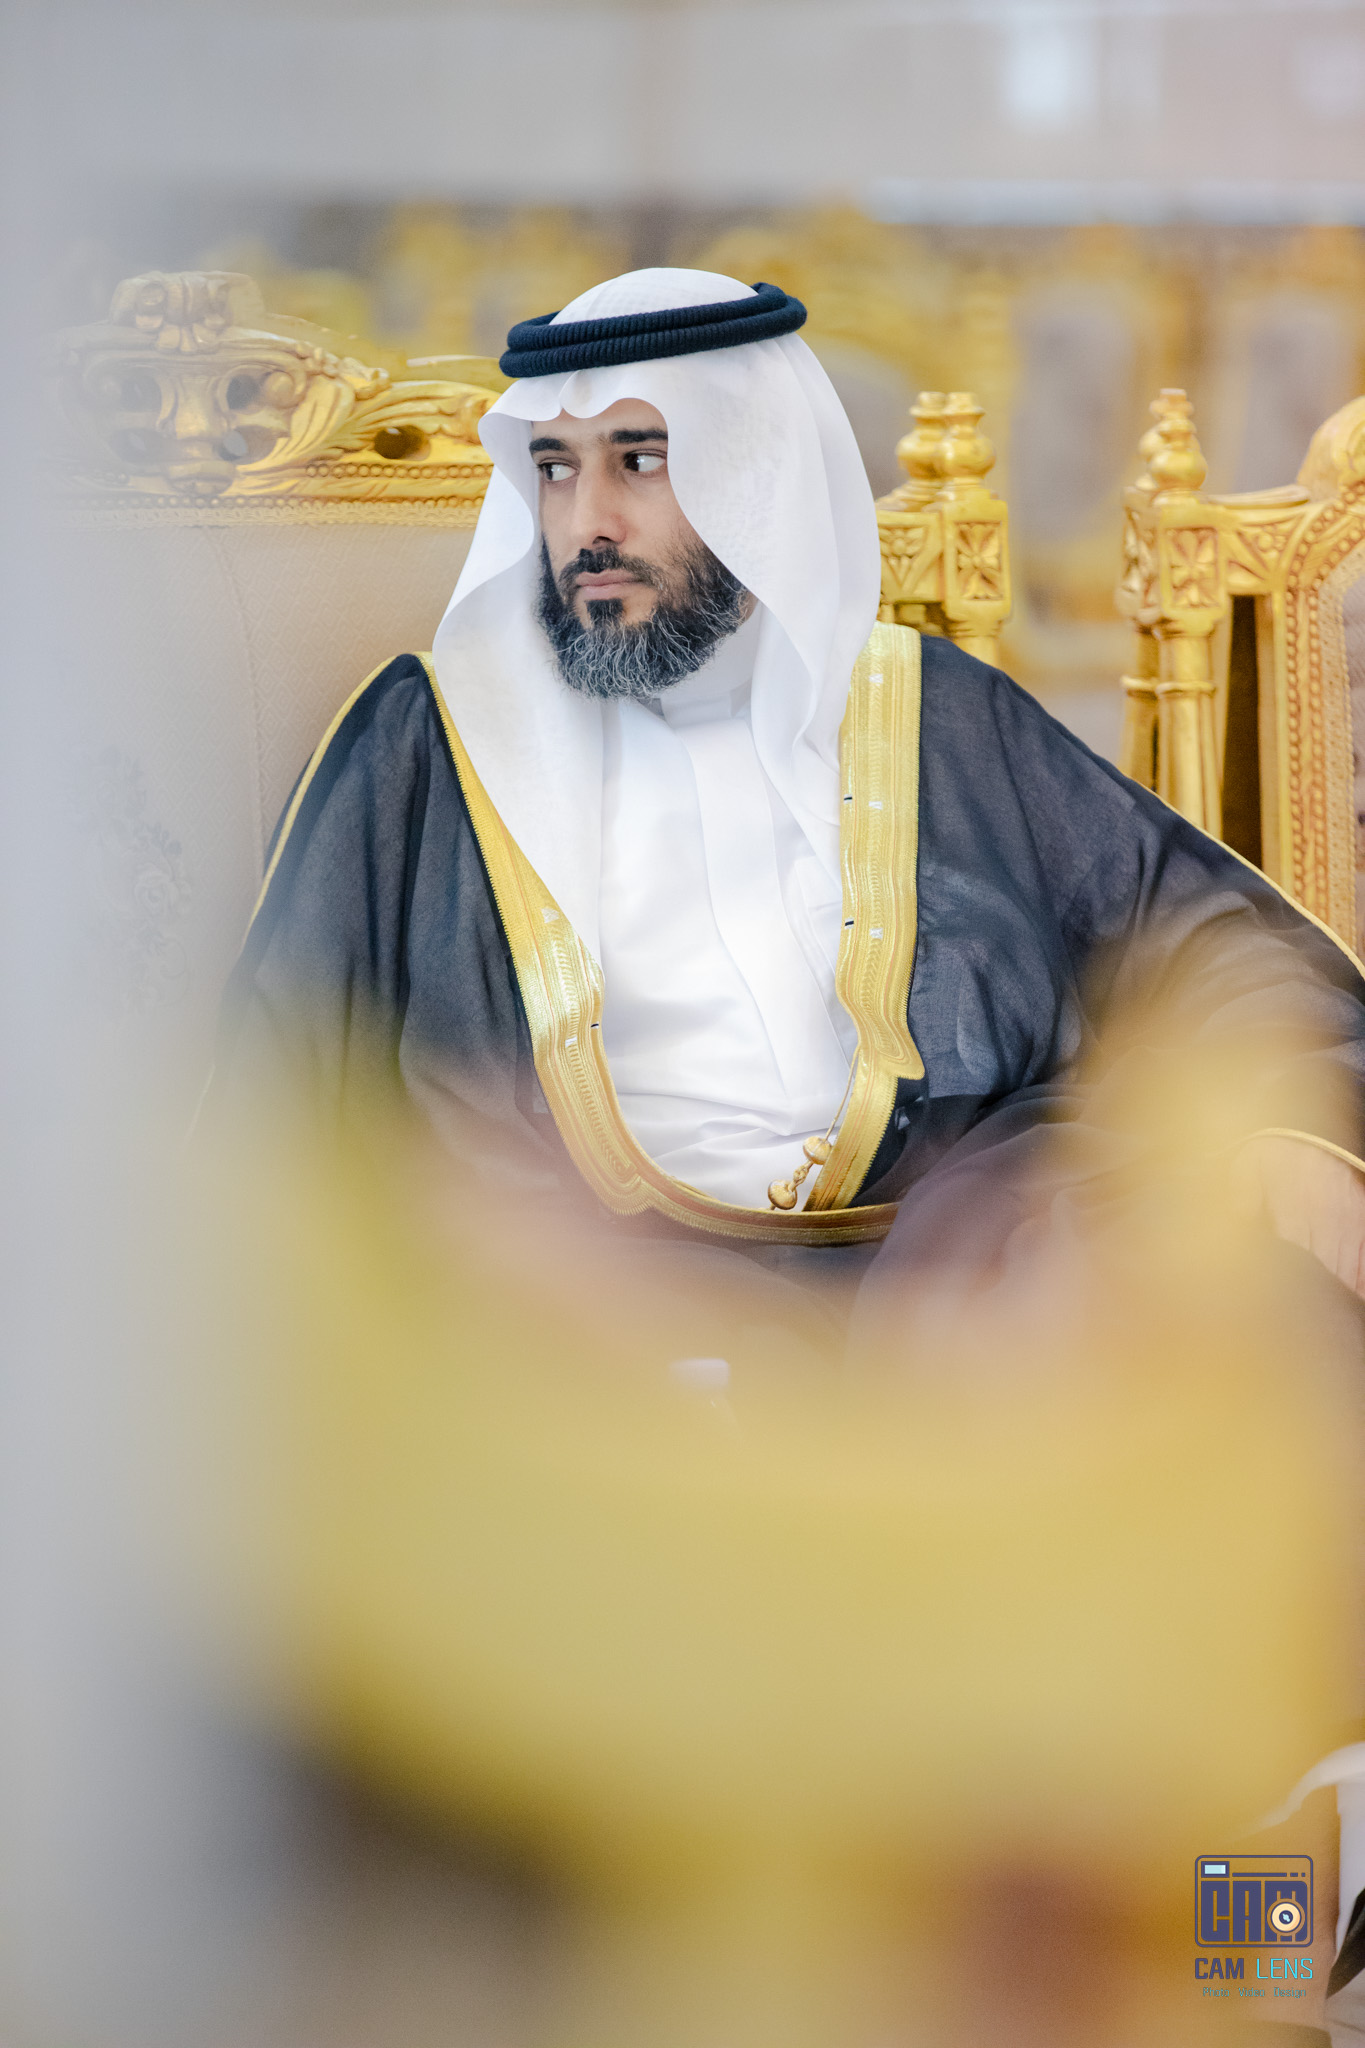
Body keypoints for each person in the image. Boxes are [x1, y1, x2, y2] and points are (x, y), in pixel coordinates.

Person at [212, 268, 1365, 1307]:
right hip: (570, 1342)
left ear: (754, 478)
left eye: (639, 461)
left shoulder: (931, 711)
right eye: (555, 470)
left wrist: (1288, 1129)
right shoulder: (426, 745)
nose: (587, 524)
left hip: (964, 1297)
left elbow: (1199, 935)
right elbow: (275, 1102)